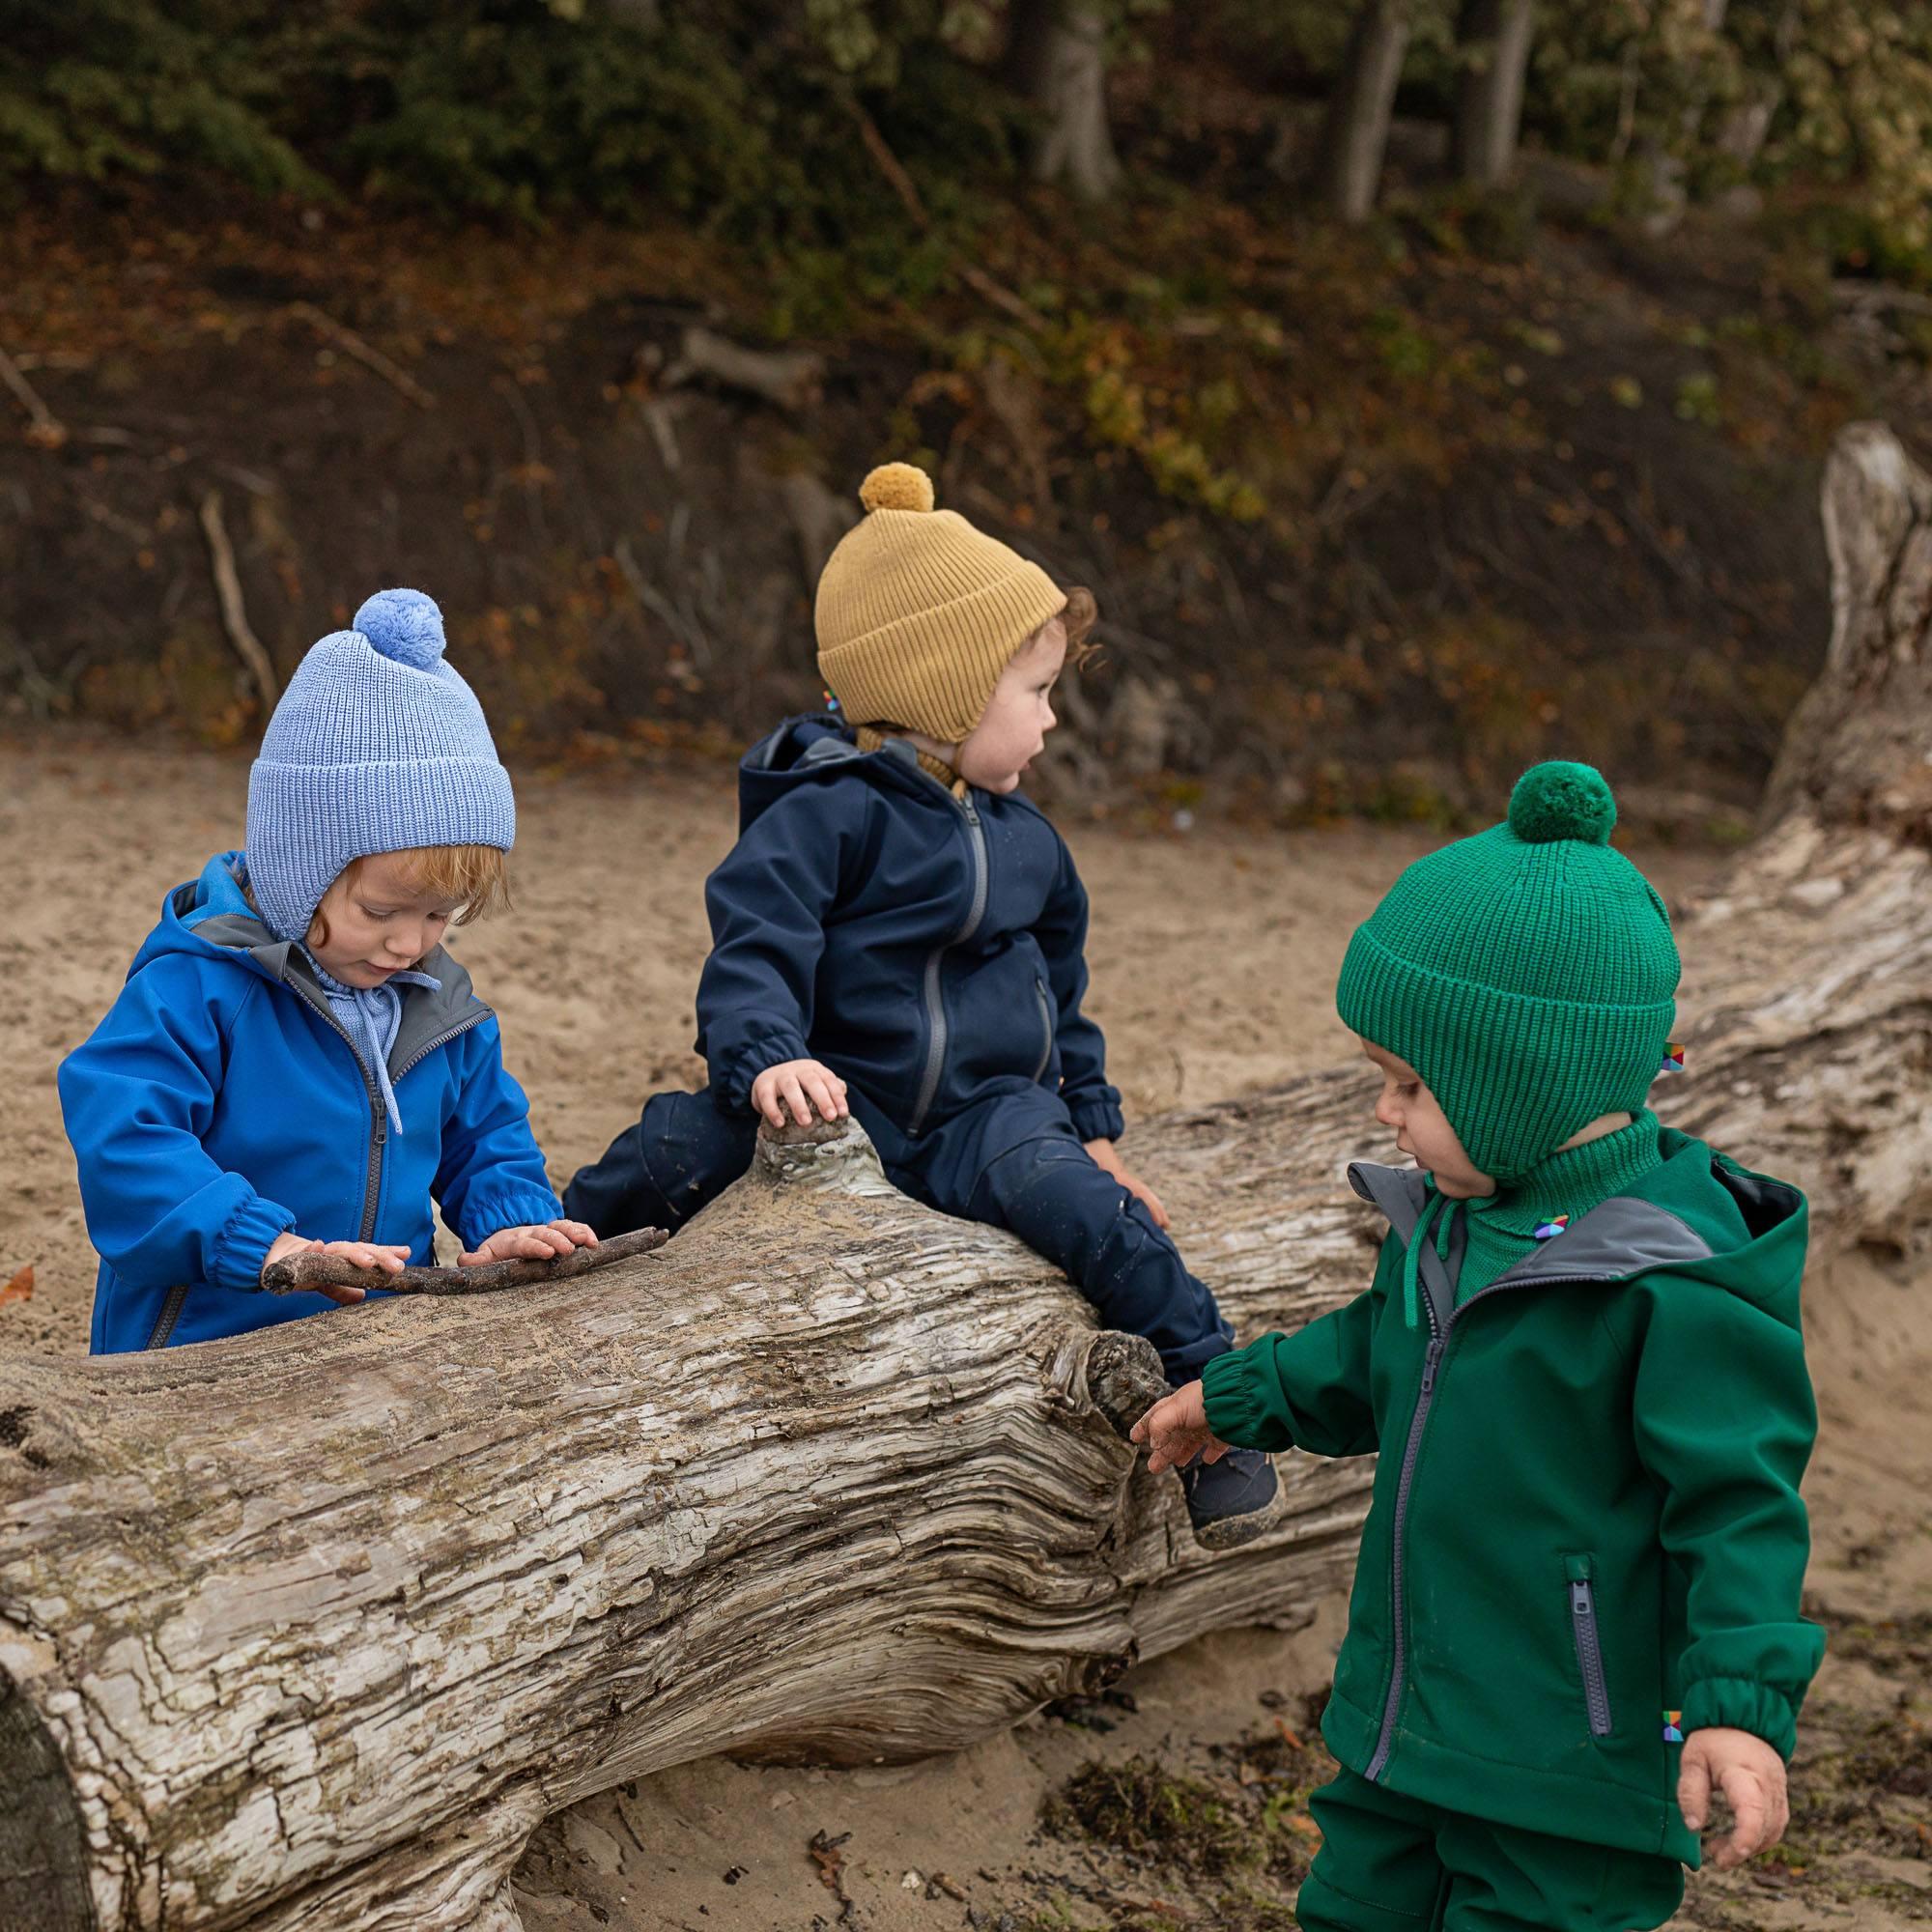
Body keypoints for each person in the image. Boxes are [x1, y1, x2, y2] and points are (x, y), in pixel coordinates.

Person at [1133, 759, 1824, 1929]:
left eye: (1410, 1082)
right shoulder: (1447, 1219)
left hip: (1573, 1775)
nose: (1384, 1111)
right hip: (1403, 1728)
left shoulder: (1679, 1277)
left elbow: (1737, 1509)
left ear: (1524, 1081)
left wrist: (1736, 1707)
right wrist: (1239, 1393)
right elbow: (1375, 1355)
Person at [566, 461, 1277, 1545]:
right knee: (675, 1143)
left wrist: (1091, 1129)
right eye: (1032, 691)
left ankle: (1210, 1404)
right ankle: (565, 1240)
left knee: (1103, 1223)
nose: (1047, 723)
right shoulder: (823, 815)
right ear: (945, 691)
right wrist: (765, 1056)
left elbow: (1062, 995)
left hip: (986, 1120)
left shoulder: (1028, 840)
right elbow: (754, 945)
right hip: (835, 1103)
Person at [61, 587, 592, 1353]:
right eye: (382, 913)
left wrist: (513, 1222)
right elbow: (124, 1137)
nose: (412, 944)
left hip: (373, 1344)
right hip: (199, 1348)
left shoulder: (439, 1005)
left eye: (442, 916)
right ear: (298, 870)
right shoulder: (201, 984)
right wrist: (269, 1249)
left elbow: (487, 1136)